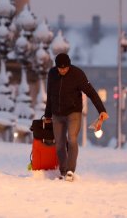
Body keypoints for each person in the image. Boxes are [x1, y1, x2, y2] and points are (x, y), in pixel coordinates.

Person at [44, 53, 109, 181]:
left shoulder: (77, 74)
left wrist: (101, 110)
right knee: (59, 144)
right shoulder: (52, 74)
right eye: (60, 68)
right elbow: (50, 95)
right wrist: (47, 116)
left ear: (69, 65)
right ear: (56, 67)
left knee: (72, 139)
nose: (63, 70)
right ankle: (63, 171)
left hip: (73, 112)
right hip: (57, 114)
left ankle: (70, 171)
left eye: (65, 68)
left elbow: (91, 92)